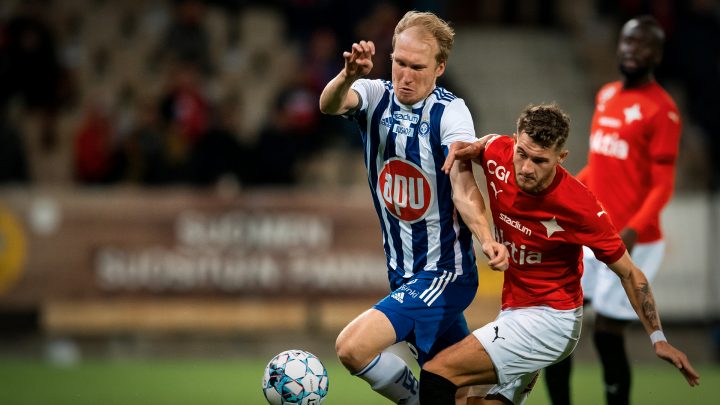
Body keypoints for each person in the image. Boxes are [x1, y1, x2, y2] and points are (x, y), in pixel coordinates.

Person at [418, 104, 700, 405]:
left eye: (539, 160)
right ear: (514, 140)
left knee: (438, 375)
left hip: (551, 320)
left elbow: (630, 273)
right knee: (468, 400)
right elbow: (485, 145)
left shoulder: (579, 206)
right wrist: (472, 146)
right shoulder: (500, 152)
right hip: (515, 309)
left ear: (560, 158)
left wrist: (659, 339)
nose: (526, 167)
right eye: (522, 153)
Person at [318, 10, 509, 405]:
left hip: (444, 275)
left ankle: (414, 399)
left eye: (417, 67)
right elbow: (329, 104)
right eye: (399, 63)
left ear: (439, 67)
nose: (406, 76)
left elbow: (462, 185)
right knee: (461, 395)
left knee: (352, 347)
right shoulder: (374, 95)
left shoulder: (450, 112)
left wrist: (487, 237)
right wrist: (349, 75)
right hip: (403, 274)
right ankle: (513, 383)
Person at [544, 15, 684, 405]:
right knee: (559, 323)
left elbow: (662, 186)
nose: (631, 50)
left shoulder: (663, 110)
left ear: (656, 53)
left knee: (607, 333)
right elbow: (599, 166)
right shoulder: (606, 94)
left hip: (635, 241)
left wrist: (634, 231)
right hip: (595, 232)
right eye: (626, 42)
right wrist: (563, 194)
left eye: (641, 45)